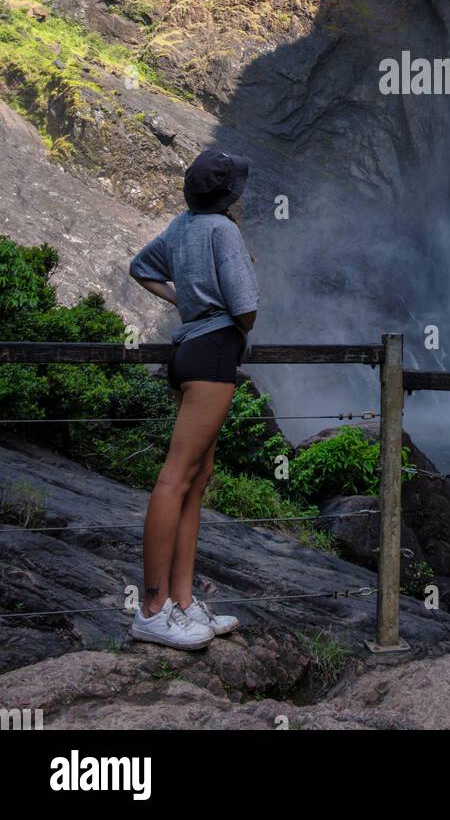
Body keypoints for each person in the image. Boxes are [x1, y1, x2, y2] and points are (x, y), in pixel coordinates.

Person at [127, 148, 258, 650]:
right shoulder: (224, 230)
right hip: (215, 354)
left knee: (196, 479)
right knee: (176, 478)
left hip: (190, 352)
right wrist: (224, 304)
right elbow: (245, 308)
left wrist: (183, 299)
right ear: (231, 195)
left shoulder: (182, 226)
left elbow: (141, 266)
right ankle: (153, 609)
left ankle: (183, 603)